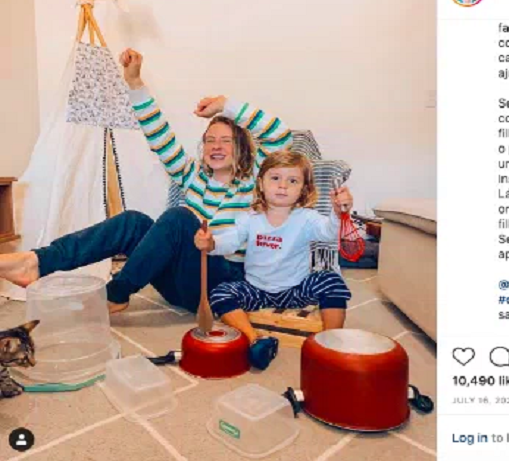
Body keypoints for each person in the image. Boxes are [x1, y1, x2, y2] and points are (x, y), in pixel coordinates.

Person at [0, 49, 292, 314]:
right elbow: (158, 133)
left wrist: (224, 105)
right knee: (133, 221)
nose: (216, 146)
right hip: (182, 284)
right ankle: (37, 262)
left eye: (226, 141)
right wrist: (134, 82)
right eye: (210, 140)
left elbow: (280, 136)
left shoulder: (257, 181)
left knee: (179, 217)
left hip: (222, 285)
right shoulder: (192, 175)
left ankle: (116, 293)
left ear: (241, 147)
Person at [194, 151, 353, 368]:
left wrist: (337, 213)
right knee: (220, 292)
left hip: (296, 289)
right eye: (275, 178)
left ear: (303, 189)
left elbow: (328, 233)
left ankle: (330, 343)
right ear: (261, 183)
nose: (283, 186)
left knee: (331, 281)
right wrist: (211, 243)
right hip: (256, 290)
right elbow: (230, 241)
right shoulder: (250, 218)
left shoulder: (307, 218)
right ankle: (255, 340)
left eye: (293, 181)